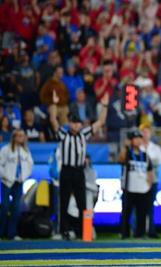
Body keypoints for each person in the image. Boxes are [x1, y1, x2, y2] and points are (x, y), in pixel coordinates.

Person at [48, 90, 109, 240]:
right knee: (64, 201)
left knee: (82, 202)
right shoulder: (64, 134)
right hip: (67, 170)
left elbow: (100, 122)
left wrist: (105, 106)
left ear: (80, 124)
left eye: (77, 123)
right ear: (69, 123)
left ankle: (84, 231)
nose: (75, 125)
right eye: (73, 123)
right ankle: (63, 231)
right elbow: (53, 121)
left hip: (78, 171)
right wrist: (54, 104)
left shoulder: (84, 134)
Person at [119, 131, 154, 239]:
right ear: (131, 140)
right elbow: (121, 159)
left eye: (140, 138)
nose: (138, 140)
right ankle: (124, 233)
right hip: (129, 187)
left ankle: (140, 233)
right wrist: (125, 146)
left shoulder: (145, 155)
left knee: (142, 213)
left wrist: (149, 184)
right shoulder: (128, 153)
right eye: (135, 138)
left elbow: (150, 171)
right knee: (126, 212)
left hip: (142, 188)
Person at [0, 130, 33, 240]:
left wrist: (24, 177)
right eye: (18, 136)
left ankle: (12, 233)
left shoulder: (25, 151)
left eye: (22, 136)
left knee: (16, 208)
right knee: (4, 207)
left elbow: (30, 165)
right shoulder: (6, 149)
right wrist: (5, 176)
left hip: (19, 182)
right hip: (7, 182)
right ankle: (1, 232)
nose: (20, 138)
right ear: (13, 137)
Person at [139, 123, 161, 239]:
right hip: (138, 180)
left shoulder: (156, 148)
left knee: (150, 206)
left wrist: (146, 161)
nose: (145, 134)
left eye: (147, 131)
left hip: (153, 179)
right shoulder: (138, 147)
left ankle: (151, 231)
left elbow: (159, 161)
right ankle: (138, 231)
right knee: (138, 206)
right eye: (143, 131)